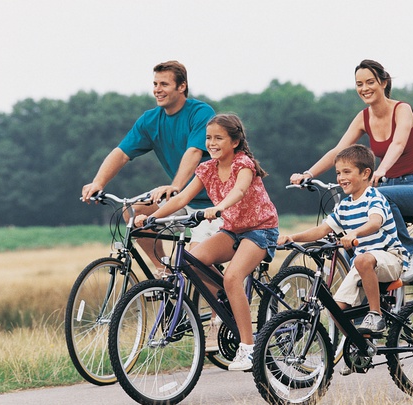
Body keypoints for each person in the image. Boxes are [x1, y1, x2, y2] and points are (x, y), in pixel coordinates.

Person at [135, 113, 279, 371]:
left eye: (218, 138)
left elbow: (240, 190)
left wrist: (220, 207)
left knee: (233, 277)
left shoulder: (243, 164)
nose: (211, 143)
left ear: (234, 142)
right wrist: (150, 218)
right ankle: (226, 301)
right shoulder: (207, 168)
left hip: (260, 230)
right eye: (208, 138)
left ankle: (248, 348)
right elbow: (180, 199)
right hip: (232, 230)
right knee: (193, 261)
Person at [290, 59, 413, 283]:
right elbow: (339, 151)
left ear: (383, 82)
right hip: (387, 187)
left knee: (380, 197)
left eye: (370, 82)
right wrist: (308, 174)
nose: (364, 88)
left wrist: (382, 170)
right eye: (359, 84)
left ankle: (412, 251)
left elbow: (398, 144)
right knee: (357, 216)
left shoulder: (402, 109)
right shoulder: (363, 117)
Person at [81, 60, 220, 272]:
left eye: (163, 84)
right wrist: (98, 182)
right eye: (155, 84)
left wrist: (175, 187)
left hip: (214, 203)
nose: (157, 90)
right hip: (183, 199)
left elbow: (193, 152)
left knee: (197, 266)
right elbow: (121, 153)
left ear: (181, 86)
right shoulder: (150, 120)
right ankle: (163, 270)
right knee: (133, 212)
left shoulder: (200, 112)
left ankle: (222, 303)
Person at [278, 144, 407, 335]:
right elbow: (322, 230)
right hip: (363, 265)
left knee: (362, 259)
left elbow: (375, 222)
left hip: (390, 258)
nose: (341, 178)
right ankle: (360, 349)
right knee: (335, 310)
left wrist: (355, 233)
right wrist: (293, 237)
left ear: (365, 174)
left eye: (347, 172)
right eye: (338, 173)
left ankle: (376, 314)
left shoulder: (374, 198)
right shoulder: (344, 206)